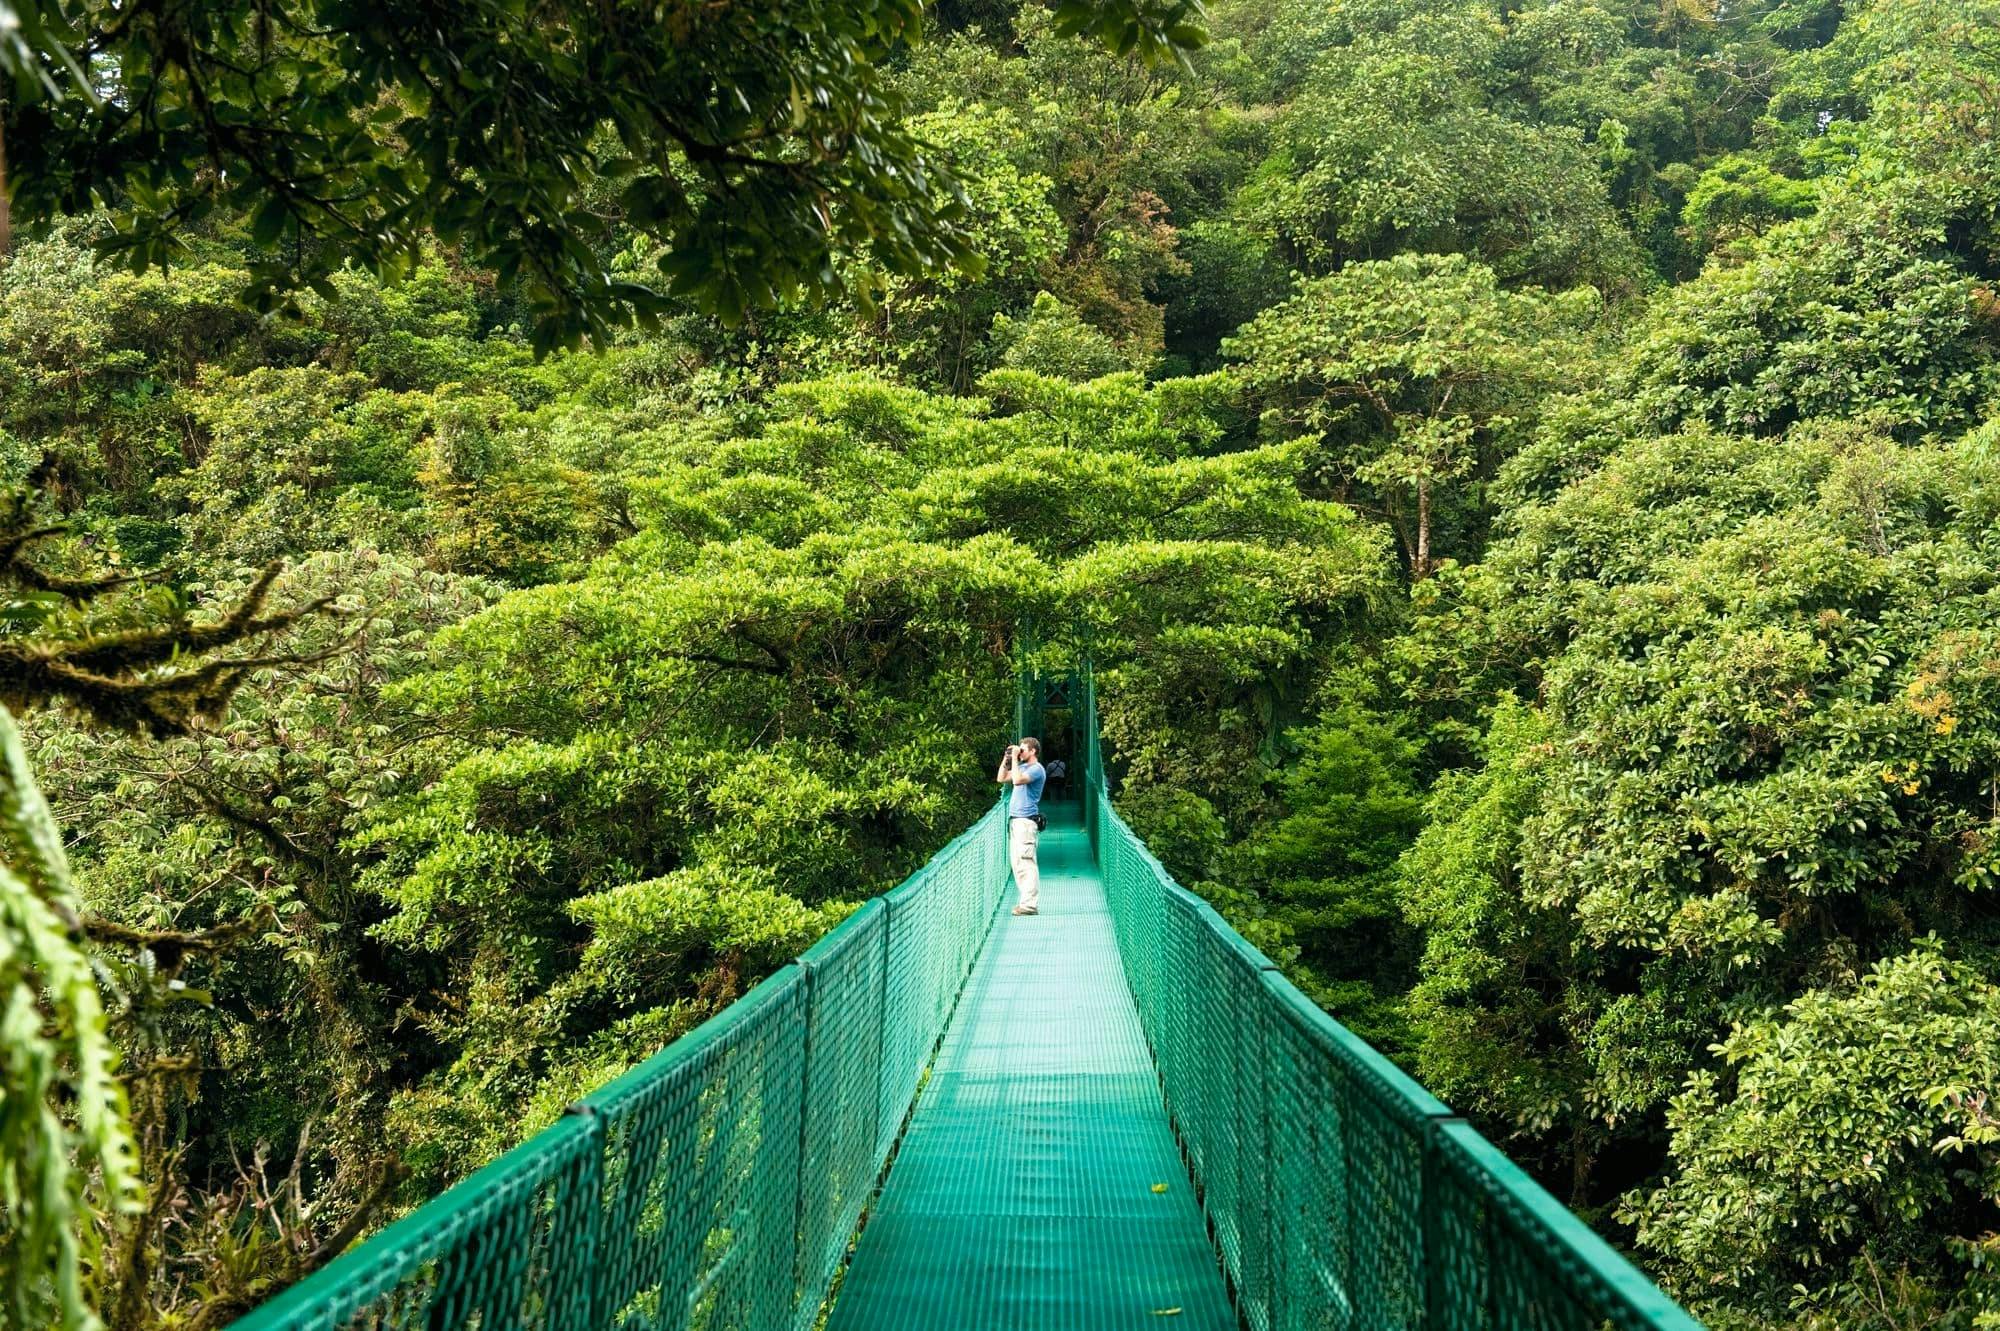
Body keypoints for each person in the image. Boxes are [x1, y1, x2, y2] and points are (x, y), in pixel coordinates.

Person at [996, 737, 1046, 916]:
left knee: (1026, 863)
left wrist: (1016, 760)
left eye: (1023, 749)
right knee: (1017, 863)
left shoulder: (1036, 769)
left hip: (1026, 821)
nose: (1020, 752)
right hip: (1016, 821)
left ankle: (1029, 905)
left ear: (1033, 751)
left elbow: (1017, 780)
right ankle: (1025, 903)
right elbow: (1001, 778)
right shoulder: (1023, 767)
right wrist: (1007, 759)